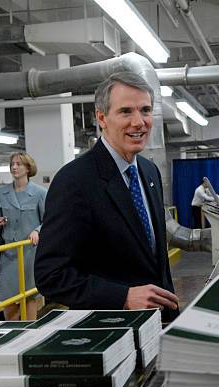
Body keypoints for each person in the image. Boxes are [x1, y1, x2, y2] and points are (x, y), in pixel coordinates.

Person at [34, 72, 179, 322]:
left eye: (145, 110)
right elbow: (51, 275)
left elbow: (155, 262)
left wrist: (171, 315)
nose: (139, 122)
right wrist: (122, 296)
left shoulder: (149, 171)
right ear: (101, 117)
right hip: (109, 331)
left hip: (158, 323)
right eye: (125, 112)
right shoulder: (74, 181)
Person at [0, 152, 46, 321]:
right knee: (8, 299)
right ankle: (13, 334)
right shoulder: (2, 192)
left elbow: (49, 221)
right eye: (12, 164)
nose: (14, 167)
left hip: (29, 253)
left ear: (28, 168)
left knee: (29, 297)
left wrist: (37, 230)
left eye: (18, 164)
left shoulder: (39, 193)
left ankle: (29, 332)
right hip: (7, 254)